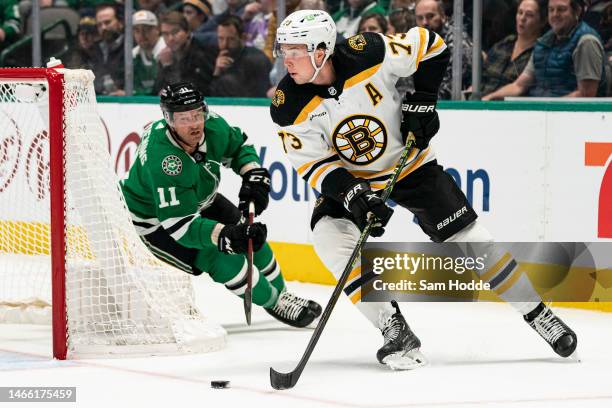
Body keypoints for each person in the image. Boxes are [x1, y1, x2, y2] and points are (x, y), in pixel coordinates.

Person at [270, 9, 578, 369]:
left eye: (295, 50)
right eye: (283, 50)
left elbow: (431, 46)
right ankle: (394, 329)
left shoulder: (368, 51)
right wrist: (355, 195)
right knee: (327, 234)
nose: (286, 60)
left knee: (471, 238)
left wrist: (425, 97)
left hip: (410, 164)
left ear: (321, 50)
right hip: (357, 180)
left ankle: (538, 313)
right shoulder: (287, 103)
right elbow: (315, 164)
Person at [121, 81, 322, 328]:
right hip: (157, 222)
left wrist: (253, 174)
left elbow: (239, 147)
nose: (194, 123)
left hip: (200, 200)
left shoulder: (213, 125)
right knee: (223, 259)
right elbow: (180, 226)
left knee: (251, 236)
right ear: (169, 120)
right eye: (184, 118)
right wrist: (223, 235)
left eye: (197, 114)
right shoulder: (164, 160)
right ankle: (273, 301)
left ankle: (283, 297)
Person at [484, 0, 607, 99]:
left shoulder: (586, 42)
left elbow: (586, 95)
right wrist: (490, 98)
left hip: (567, 117)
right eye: (551, 10)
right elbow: (519, 85)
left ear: (577, 12)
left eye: (561, 9)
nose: (555, 15)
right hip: (540, 112)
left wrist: (546, 109)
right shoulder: (543, 42)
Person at [478, 0, 547, 97]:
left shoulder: (540, 52)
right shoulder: (503, 44)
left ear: (542, 21)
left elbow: (520, 87)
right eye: (520, 12)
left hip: (507, 107)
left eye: (529, 15)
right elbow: (482, 76)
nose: (522, 18)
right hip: (477, 102)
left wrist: (488, 98)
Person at [415, 0, 474, 99]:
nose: (424, 22)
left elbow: (449, 88)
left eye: (430, 16)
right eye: (420, 18)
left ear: (443, 16)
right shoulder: (419, 40)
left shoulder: (457, 41)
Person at [153, 11, 216, 95]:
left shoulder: (202, 54)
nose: (170, 38)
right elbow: (156, 90)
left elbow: (198, 88)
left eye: (175, 32)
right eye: (165, 34)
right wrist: (166, 67)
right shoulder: (166, 56)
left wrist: (168, 67)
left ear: (187, 32)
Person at [209, 15, 272, 97]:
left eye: (231, 39)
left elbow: (259, 96)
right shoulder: (214, 55)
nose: (224, 44)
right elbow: (211, 96)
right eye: (221, 38)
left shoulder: (256, 59)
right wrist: (217, 72)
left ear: (242, 37)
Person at [92, 3, 125, 95]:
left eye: (107, 22)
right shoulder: (96, 49)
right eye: (99, 24)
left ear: (120, 23)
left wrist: (127, 93)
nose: (103, 27)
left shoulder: (130, 46)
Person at [132, 10, 166, 95]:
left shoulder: (167, 51)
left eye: (146, 29)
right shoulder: (133, 55)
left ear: (158, 29)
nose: (142, 35)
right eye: (137, 30)